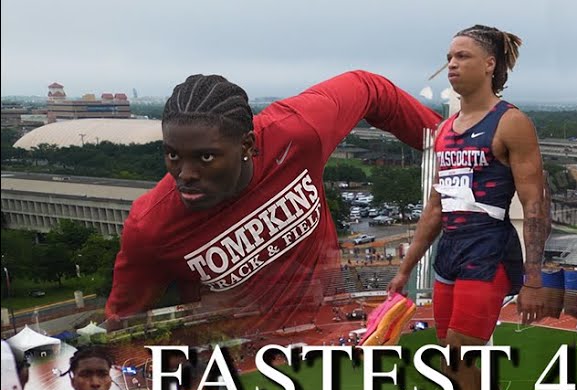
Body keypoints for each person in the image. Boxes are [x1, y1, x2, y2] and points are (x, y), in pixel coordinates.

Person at [106, 71, 442, 337]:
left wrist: (448, 146)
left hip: (331, 332)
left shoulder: (298, 132)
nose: (186, 174)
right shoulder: (151, 226)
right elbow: (123, 321)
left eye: (206, 157)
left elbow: (370, 87)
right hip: (243, 364)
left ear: (247, 145)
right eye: (173, 155)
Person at [389, 24, 553, 390]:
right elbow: (434, 207)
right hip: (451, 250)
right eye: (449, 57)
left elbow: (535, 204)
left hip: (489, 246)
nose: (451, 65)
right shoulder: (446, 131)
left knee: (460, 365)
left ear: (490, 64)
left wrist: (533, 278)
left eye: (462, 56)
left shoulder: (511, 122)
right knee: (454, 364)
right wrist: (404, 269)